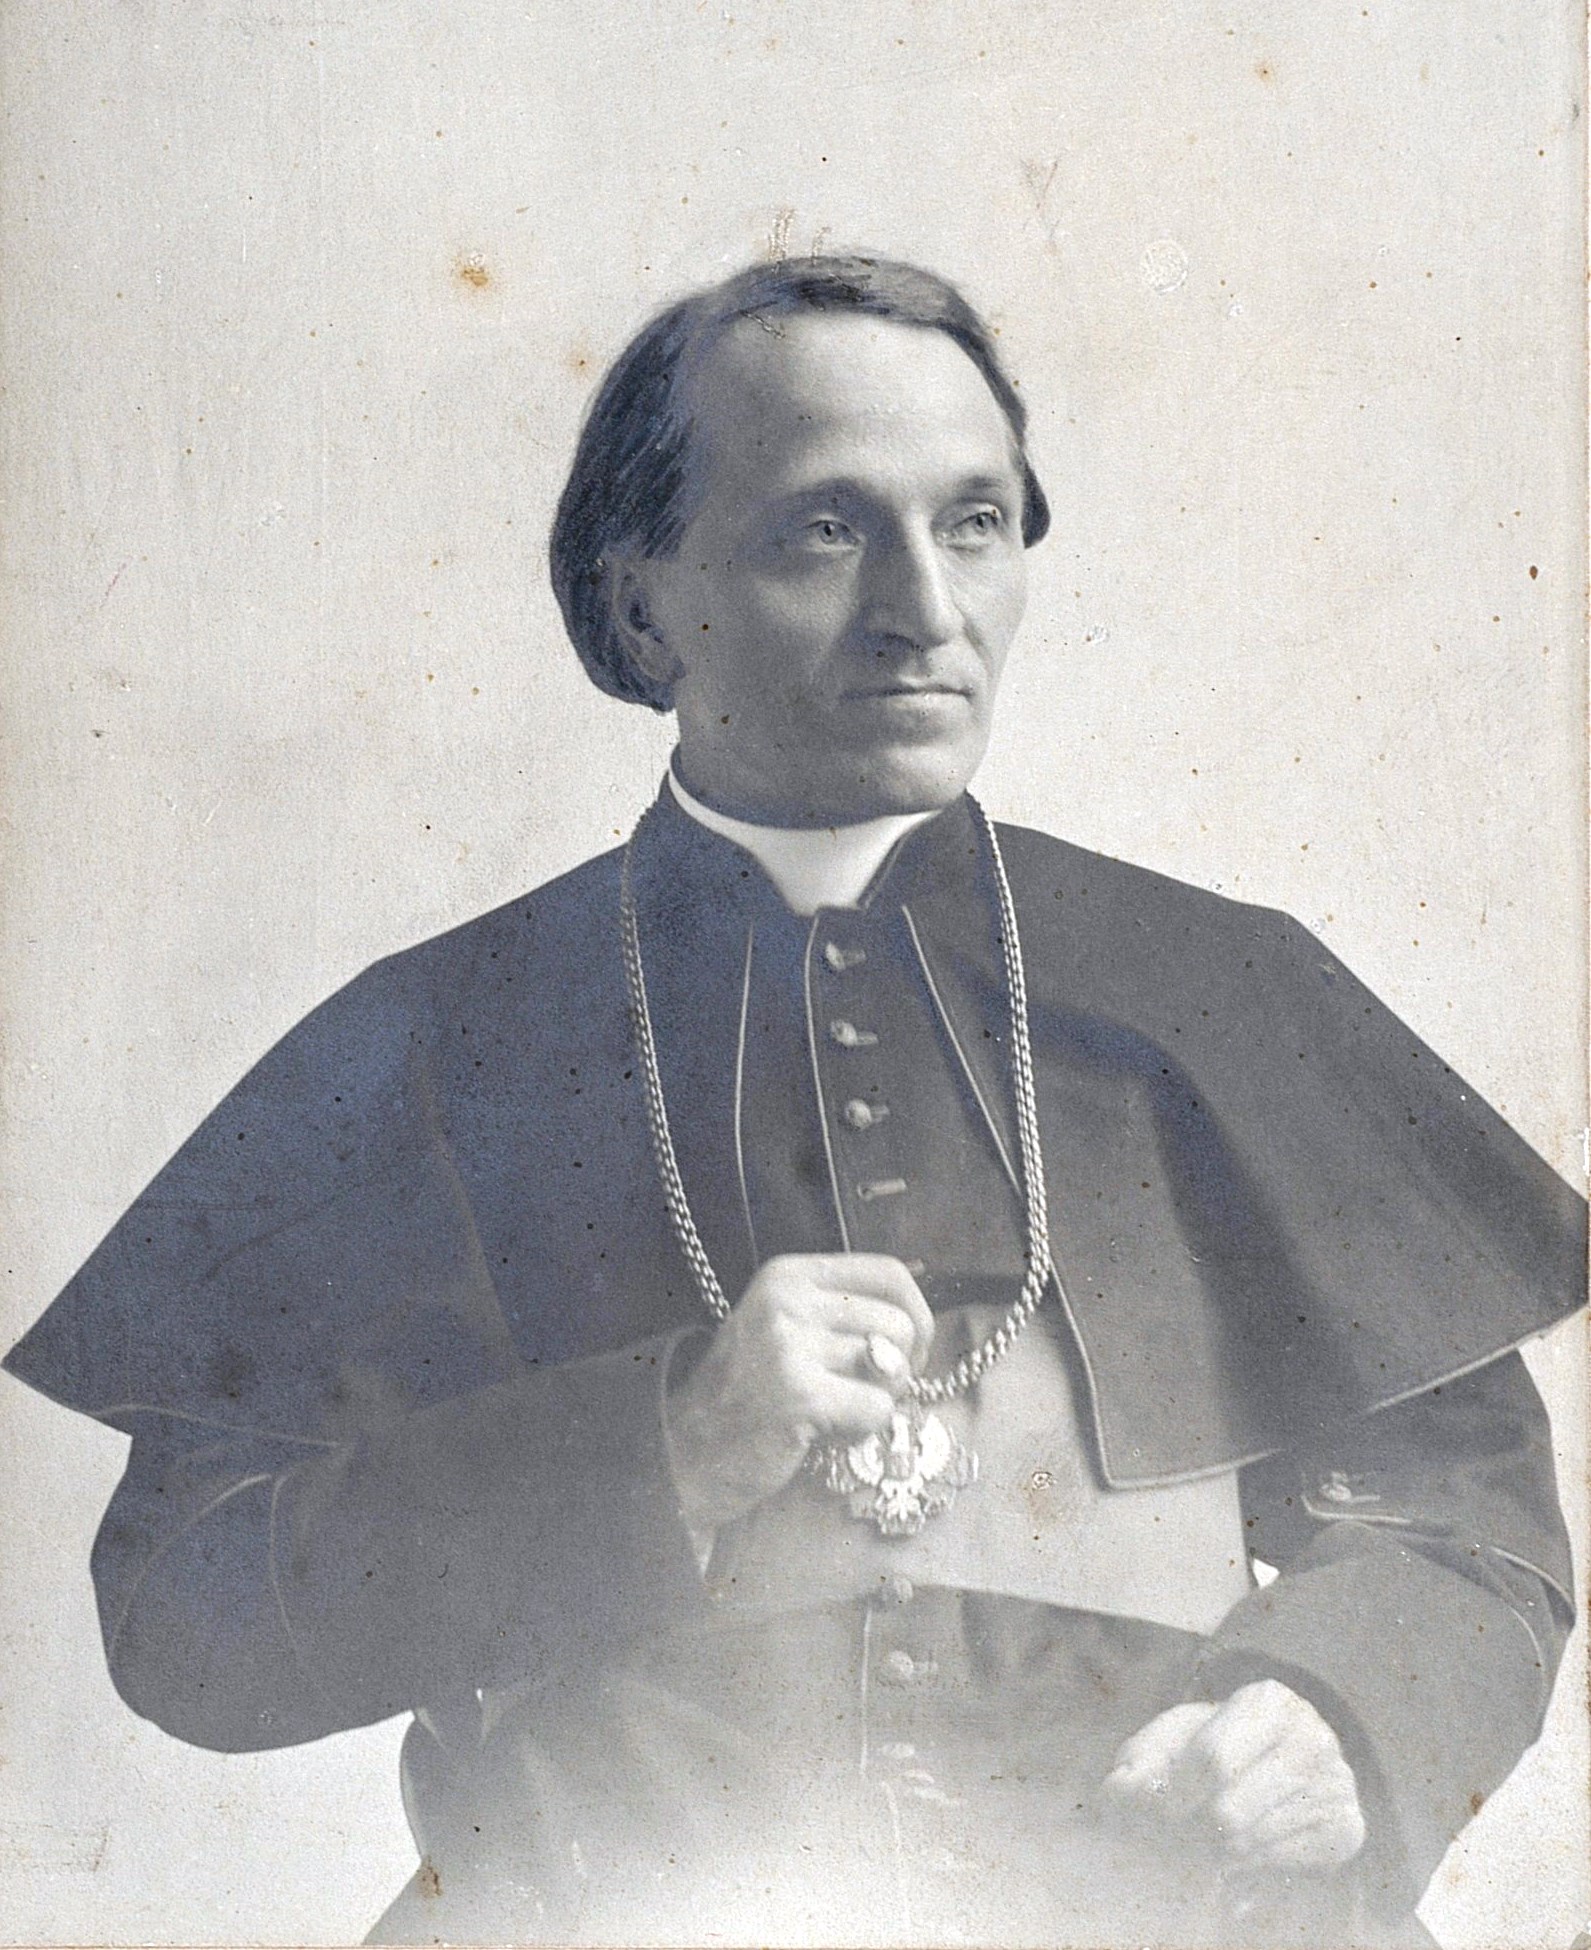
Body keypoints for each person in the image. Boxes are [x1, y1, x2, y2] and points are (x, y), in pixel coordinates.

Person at [4, 255, 1582, 1948]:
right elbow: (187, 1608)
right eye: (825, 532)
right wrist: (663, 1446)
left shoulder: (1222, 985)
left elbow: (1462, 1516)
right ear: (640, 608)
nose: (926, 607)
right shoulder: (432, 1043)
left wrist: (1341, 1716)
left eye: (975, 524)